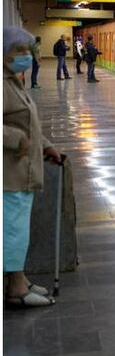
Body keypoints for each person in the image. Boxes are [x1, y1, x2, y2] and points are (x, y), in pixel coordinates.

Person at [4, 25, 64, 308]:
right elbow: (16, 130)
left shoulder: (13, 80)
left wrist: (45, 145)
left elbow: (28, 123)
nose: (27, 55)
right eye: (20, 51)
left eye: (28, 50)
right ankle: (15, 288)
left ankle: (20, 279)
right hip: (9, 172)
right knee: (13, 230)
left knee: (18, 229)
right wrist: (17, 140)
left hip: (22, 170)